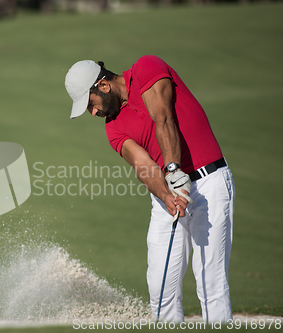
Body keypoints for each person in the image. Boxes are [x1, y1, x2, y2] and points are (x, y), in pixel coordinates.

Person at [64, 55, 235, 323]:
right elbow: (143, 165)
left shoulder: (146, 68)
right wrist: (167, 194)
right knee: (160, 287)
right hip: (168, 193)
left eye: (90, 104)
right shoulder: (113, 129)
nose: (93, 113)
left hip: (208, 184)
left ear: (104, 86)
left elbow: (163, 117)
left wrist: (172, 169)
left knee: (209, 281)